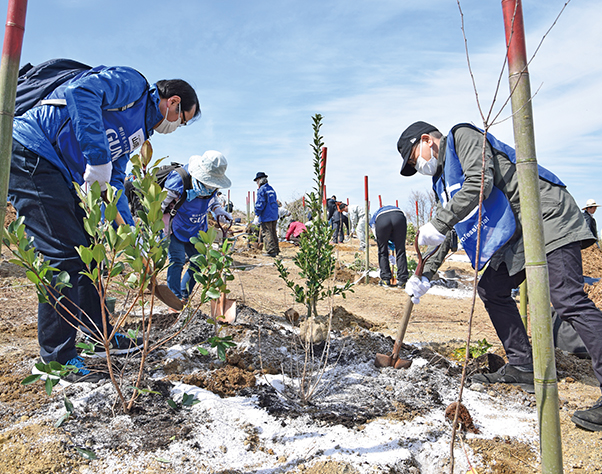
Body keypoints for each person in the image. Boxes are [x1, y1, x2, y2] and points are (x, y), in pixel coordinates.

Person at [397, 120, 602, 431]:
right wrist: (426, 273)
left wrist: (439, 221)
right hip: (517, 235)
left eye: (415, 158)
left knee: (566, 298)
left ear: (427, 140)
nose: (419, 166)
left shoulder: (460, 137)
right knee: (492, 288)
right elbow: (450, 230)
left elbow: (480, 183)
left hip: (544, 214)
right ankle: (521, 364)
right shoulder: (442, 182)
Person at [8, 64, 200, 383]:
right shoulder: (133, 85)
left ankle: (100, 337)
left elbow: (116, 182)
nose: (177, 126)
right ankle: (56, 359)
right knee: (64, 259)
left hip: (56, 171)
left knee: (88, 254)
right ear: (174, 102)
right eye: (183, 120)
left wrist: (131, 236)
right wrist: (97, 158)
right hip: (31, 151)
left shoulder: (139, 131)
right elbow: (80, 92)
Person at [162, 151, 231, 305]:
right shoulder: (180, 179)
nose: (211, 186)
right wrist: (153, 230)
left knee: (199, 262)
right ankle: (173, 299)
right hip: (176, 226)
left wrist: (218, 210)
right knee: (177, 260)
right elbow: (161, 204)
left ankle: (184, 295)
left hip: (196, 228)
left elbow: (211, 200)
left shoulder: (211, 187)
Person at [369, 205, 408, 288]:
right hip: (399, 217)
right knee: (400, 250)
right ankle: (402, 280)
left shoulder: (377, 213)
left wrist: (382, 242)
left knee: (382, 251)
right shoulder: (399, 210)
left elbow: (373, 227)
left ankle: (385, 280)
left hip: (382, 220)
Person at [254, 172, 280, 257]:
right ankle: (276, 249)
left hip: (266, 215)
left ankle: (271, 251)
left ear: (259, 180)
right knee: (273, 232)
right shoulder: (271, 189)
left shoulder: (261, 189)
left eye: (257, 181)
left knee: (267, 232)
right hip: (274, 215)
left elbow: (260, 203)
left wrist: (257, 214)